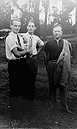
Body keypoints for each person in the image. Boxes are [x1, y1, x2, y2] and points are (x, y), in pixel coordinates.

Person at [44, 24, 72, 113]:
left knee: (62, 85)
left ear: (61, 32)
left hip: (61, 66)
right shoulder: (48, 43)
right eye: (55, 31)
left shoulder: (66, 43)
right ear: (53, 32)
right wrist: (48, 65)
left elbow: (69, 55)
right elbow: (45, 55)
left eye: (58, 31)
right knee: (52, 85)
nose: (57, 33)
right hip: (51, 64)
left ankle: (64, 107)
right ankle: (52, 105)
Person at [5, 18, 30, 100]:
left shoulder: (18, 37)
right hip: (14, 64)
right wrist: (27, 51)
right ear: (11, 26)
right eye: (15, 26)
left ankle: (23, 110)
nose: (17, 28)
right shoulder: (10, 38)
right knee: (14, 88)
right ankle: (14, 112)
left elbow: (20, 49)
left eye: (19, 26)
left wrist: (25, 50)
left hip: (22, 63)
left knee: (24, 86)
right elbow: (17, 54)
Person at [22, 21, 44, 101]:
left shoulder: (36, 38)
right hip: (24, 58)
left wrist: (37, 52)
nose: (31, 27)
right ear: (27, 27)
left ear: (35, 28)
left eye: (32, 26)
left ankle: (31, 100)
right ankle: (24, 99)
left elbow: (41, 45)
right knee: (24, 79)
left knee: (32, 79)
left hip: (33, 59)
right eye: (29, 26)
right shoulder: (23, 36)